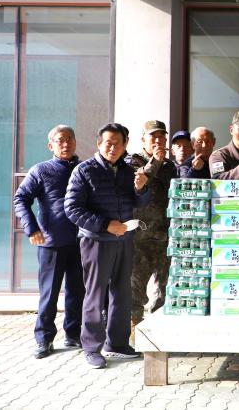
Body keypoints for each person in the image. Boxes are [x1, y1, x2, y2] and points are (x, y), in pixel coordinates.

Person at [64, 123, 150, 369]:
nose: (112, 148)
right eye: (108, 143)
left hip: (124, 240)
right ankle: (91, 347)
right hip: (96, 241)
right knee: (95, 294)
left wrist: (141, 188)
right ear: (99, 144)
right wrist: (104, 225)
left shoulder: (128, 170)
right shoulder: (84, 171)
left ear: (125, 145)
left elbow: (140, 201)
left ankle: (118, 343)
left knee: (123, 292)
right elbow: (72, 208)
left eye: (118, 143)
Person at [13, 125, 85, 359]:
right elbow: (21, 198)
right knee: (49, 294)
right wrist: (31, 227)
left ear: (75, 142)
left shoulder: (84, 169)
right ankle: (43, 339)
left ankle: (73, 334)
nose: (66, 144)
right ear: (51, 145)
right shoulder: (41, 170)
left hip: (81, 242)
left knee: (77, 292)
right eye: (60, 140)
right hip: (51, 243)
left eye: (69, 139)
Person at [126, 120, 177, 337]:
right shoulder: (132, 162)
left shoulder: (169, 165)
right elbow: (139, 181)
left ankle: (159, 336)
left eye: (162, 137)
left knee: (163, 290)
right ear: (143, 140)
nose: (158, 141)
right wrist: (154, 162)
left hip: (165, 236)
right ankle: (133, 336)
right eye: (153, 137)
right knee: (135, 291)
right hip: (141, 238)